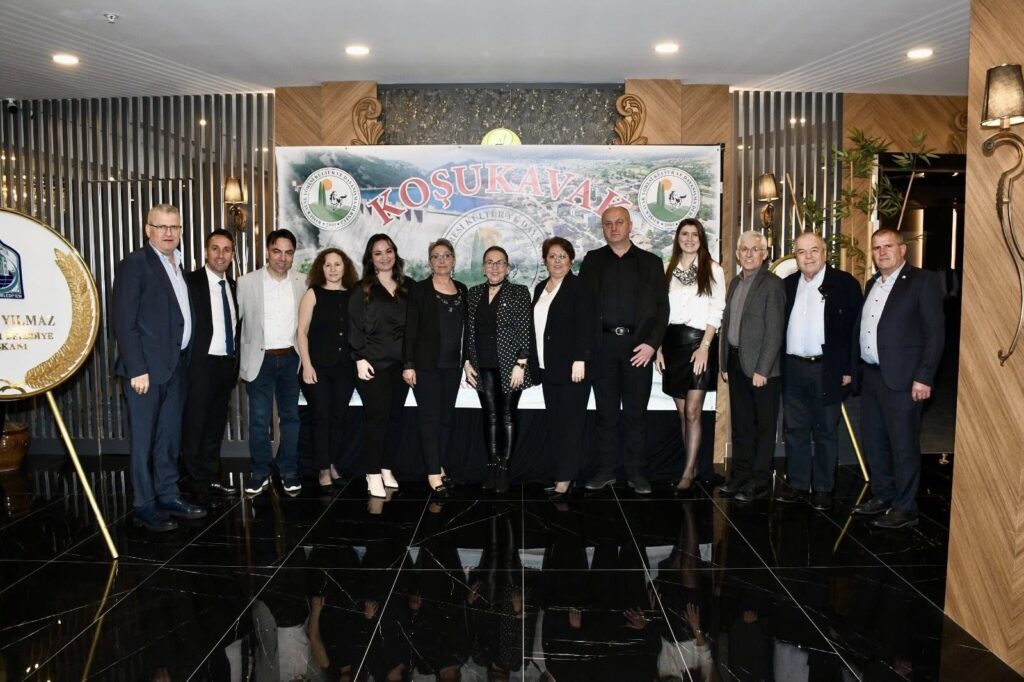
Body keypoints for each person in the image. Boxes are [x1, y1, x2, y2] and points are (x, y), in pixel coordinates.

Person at [113, 203, 206, 531]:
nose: (169, 233)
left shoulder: (178, 264)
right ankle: (144, 504)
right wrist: (137, 368)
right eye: (161, 227)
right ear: (147, 230)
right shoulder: (135, 265)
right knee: (143, 441)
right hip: (146, 372)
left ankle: (168, 495)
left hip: (176, 367)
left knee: (169, 438)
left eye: (174, 227)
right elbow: (124, 321)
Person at [853, 228, 944, 529]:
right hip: (872, 375)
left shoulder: (922, 281)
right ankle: (883, 494)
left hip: (904, 379)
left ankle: (906, 508)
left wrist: (924, 376)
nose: (882, 252)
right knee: (874, 441)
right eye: (876, 247)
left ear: (902, 249)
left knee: (903, 445)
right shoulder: (872, 284)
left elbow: (935, 334)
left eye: (888, 246)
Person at [580, 206, 669, 495]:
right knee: (605, 414)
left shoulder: (651, 262)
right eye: (608, 224)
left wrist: (652, 345)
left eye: (619, 222)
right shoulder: (592, 261)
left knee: (635, 414)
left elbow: (662, 309)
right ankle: (606, 470)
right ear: (602, 228)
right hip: (603, 347)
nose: (614, 228)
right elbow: (584, 307)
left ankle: (636, 473)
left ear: (630, 225)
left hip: (638, 348)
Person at [777, 232, 863, 510]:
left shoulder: (845, 284)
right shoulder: (788, 285)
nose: (808, 256)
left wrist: (849, 368)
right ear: (796, 257)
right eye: (802, 252)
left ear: (825, 253)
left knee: (826, 429)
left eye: (814, 250)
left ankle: (824, 488)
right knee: (795, 429)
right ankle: (799, 484)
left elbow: (855, 330)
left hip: (828, 369)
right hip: (792, 368)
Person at [655, 218, 725, 493]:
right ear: (678, 238)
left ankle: (687, 474)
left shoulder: (713, 269)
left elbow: (717, 310)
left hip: (700, 345)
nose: (689, 239)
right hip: (672, 345)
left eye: (695, 234)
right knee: (683, 413)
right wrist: (659, 348)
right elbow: (660, 312)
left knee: (694, 411)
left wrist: (705, 346)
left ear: (701, 239)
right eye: (684, 234)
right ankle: (691, 465)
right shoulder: (667, 269)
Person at [237, 229, 307, 497]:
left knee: (291, 418)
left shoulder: (302, 282)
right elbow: (236, 323)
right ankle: (260, 472)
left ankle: (288, 471)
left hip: (291, 359)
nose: (282, 258)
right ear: (268, 251)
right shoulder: (247, 282)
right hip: (260, 359)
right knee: (259, 420)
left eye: (288, 253)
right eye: (277, 251)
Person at [463, 245, 536, 494]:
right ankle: (492, 466)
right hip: (481, 365)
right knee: (490, 416)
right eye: (490, 262)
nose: (495, 267)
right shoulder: (473, 293)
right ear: (483, 268)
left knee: (507, 416)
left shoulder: (519, 292)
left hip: (511, 367)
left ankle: (504, 468)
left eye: (500, 262)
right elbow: (468, 332)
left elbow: (525, 330)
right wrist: (467, 362)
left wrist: (521, 364)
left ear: (507, 267)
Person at [718, 230, 785, 502]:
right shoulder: (735, 282)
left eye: (755, 249)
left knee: (764, 427)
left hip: (761, 369)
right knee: (742, 425)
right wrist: (724, 362)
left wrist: (762, 369)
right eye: (744, 249)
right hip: (736, 363)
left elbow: (774, 330)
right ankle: (740, 476)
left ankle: (759, 481)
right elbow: (728, 324)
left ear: (764, 254)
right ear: (737, 254)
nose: (748, 254)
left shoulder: (772, 284)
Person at [531, 236, 598, 499]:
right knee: (556, 424)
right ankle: (562, 473)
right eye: (552, 256)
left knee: (571, 425)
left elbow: (587, 325)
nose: (557, 261)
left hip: (573, 369)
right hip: (548, 368)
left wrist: (581, 359)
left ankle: (565, 479)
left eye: (562, 256)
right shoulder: (540, 287)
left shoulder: (580, 286)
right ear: (545, 260)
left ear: (571, 260)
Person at [402, 238, 468, 498]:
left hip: (453, 366)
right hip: (426, 366)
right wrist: (408, 365)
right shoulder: (419, 290)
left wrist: (467, 360)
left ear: (454, 260)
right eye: (436, 256)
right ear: (429, 262)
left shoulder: (462, 289)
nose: (442, 260)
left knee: (446, 419)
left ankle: (439, 466)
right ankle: (432, 473)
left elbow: (467, 331)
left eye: (446, 255)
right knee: (429, 419)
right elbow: (410, 330)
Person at [180, 229, 240, 506]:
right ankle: (196, 483)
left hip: (226, 366)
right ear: (206, 252)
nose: (220, 255)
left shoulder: (233, 286)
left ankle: (212, 475)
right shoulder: (190, 282)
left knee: (215, 425)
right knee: (195, 425)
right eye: (215, 248)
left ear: (232, 254)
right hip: (200, 365)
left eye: (226, 249)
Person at [350, 234, 409, 499]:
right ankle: (372, 472)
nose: (384, 257)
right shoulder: (362, 288)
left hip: (400, 365)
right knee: (377, 419)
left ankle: (386, 467)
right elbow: (353, 325)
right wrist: (359, 358)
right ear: (370, 258)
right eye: (378, 253)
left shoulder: (407, 287)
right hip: (372, 364)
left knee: (395, 418)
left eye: (388, 251)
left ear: (395, 253)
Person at [296, 247, 358, 494]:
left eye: (337, 264)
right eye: (328, 265)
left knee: (338, 418)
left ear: (345, 267)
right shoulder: (313, 294)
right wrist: (307, 365)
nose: (333, 269)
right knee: (321, 418)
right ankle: (322, 470)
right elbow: (301, 332)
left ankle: (332, 464)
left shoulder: (353, 295)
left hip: (345, 369)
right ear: (321, 268)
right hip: (317, 368)